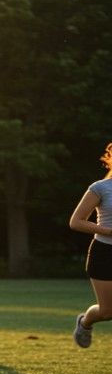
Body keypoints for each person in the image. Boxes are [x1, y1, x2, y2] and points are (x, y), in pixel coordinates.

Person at [69, 142, 112, 348]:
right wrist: (108, 231)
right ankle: (85, 322)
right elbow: (76, 222)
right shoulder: (100, 188)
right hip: (105, 253)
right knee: (107, 312)